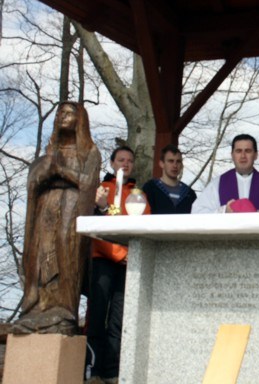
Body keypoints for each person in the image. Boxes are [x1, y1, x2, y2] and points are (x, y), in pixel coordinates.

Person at [14, 102, 100, 335]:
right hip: (46, 209)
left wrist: (61, 172)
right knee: (40, 254)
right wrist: (45, 173)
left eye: (69, 113)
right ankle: (38, 306)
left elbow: (88, 183)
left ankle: (64, 309)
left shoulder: (89, 152)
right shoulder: (50, 153)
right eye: (60, 113)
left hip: (71, 210)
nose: (62, 116)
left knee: (66, 252)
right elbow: (35, 181)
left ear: (79, 119)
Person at [86, 145, 150, 383]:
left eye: (130, 160)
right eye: (121, 159)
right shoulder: (103, 189)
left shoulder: (139, 194)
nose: (126, 164)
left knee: (118, 319)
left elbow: (145, 225)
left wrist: (127, 256)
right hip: (104, 260)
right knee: (97, 315)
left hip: (127, 263)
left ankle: (112, 371)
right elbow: (101, 230)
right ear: (112, 163)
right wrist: (101, 206)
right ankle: (91, 368)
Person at [192, 134, 259, 213]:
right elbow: (197, 212)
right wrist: (224, 211)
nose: (243, 156)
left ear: (256, 155)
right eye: (238, 151)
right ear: (232, 155)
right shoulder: (217, 184)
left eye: (248, 151)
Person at [142, 144, 196, 214]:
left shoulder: (189, 194)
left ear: (182, 165)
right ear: (161, 164)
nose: (175, 165)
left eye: (178, 161)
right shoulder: (150, 188)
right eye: (171, 161)